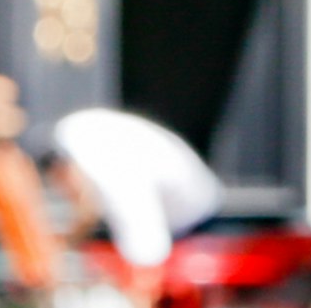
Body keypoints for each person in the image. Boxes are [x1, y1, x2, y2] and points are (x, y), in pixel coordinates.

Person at [43, 108, 222, 274]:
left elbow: (146, 251)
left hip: (194, 218)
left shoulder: (113, 173)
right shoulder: (75, 139)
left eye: (63, 185)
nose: (66, 193)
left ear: (64, 171)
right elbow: (88, 209)